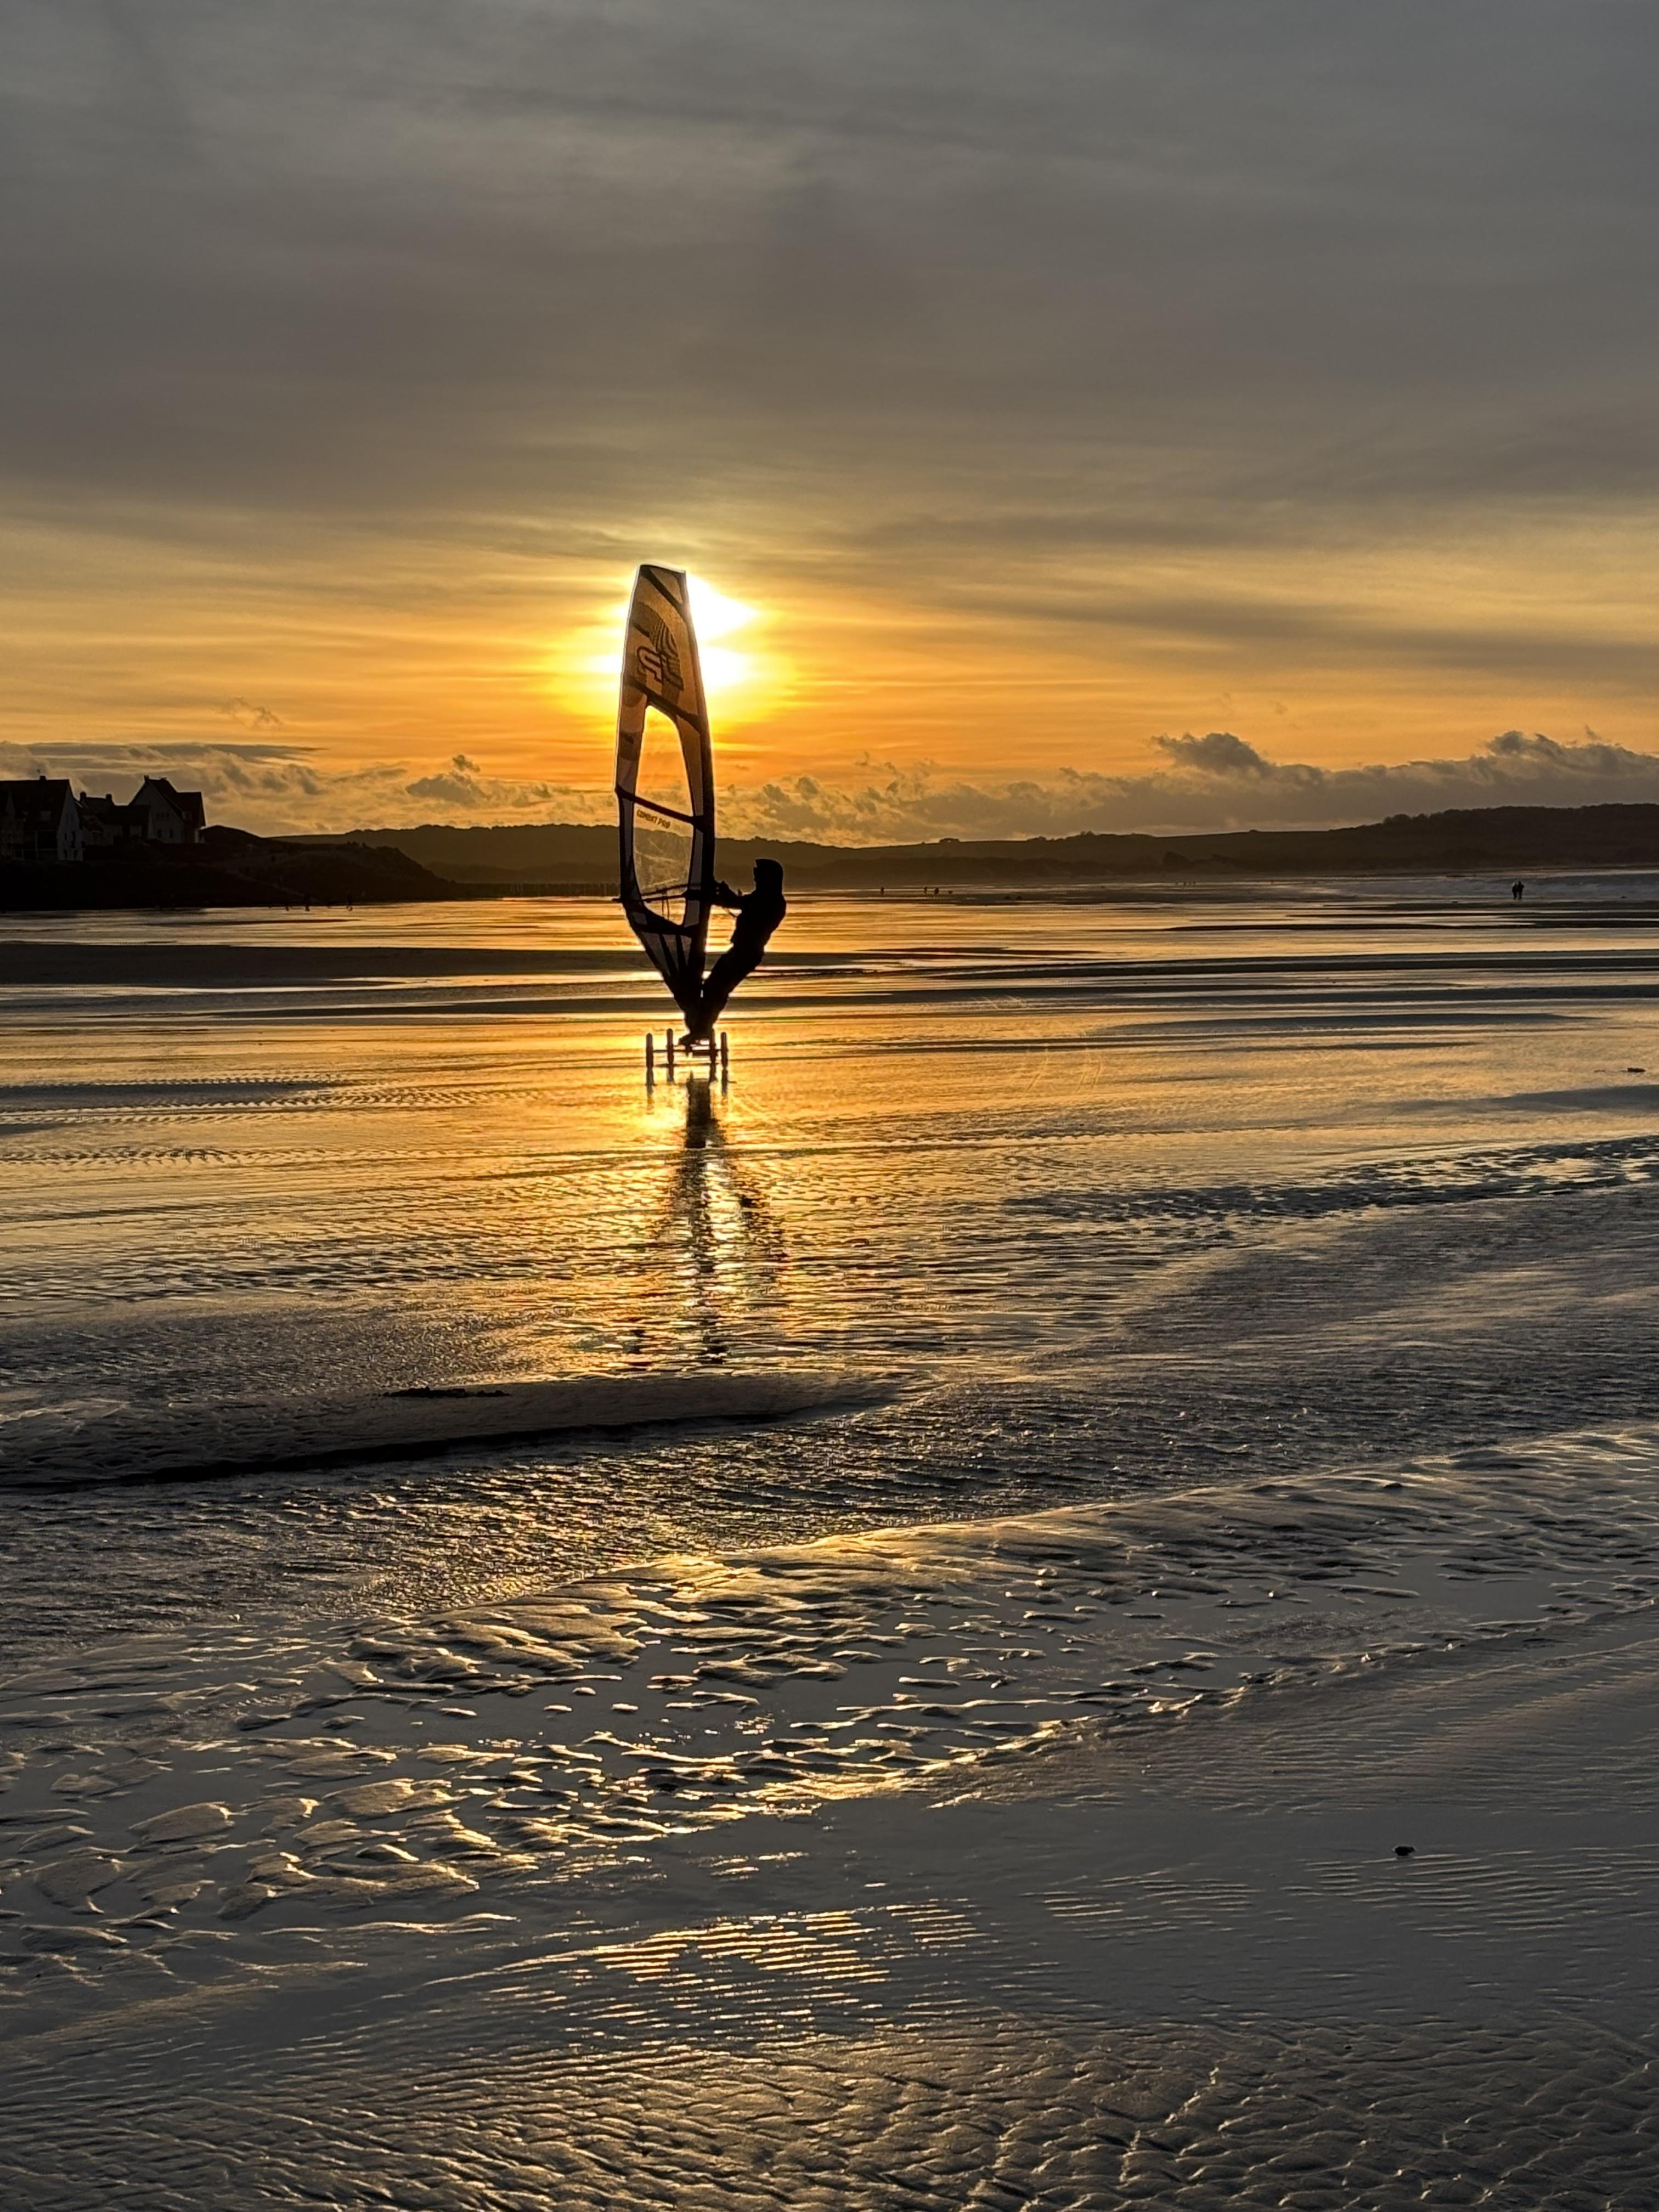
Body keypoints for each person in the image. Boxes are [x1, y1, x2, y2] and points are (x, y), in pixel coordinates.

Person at [684, 858, 787, 1042]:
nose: (755, 879)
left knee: (716, 988)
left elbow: (737, 903)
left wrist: (708, 897)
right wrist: (719, 893)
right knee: (713, 987)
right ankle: (701, 1026)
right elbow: (738, 901)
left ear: (769, 878)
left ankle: (702, 1028)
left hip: (746, 953)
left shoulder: (770, 899)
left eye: (758, 876)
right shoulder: (764, 896)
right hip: (742, 952)